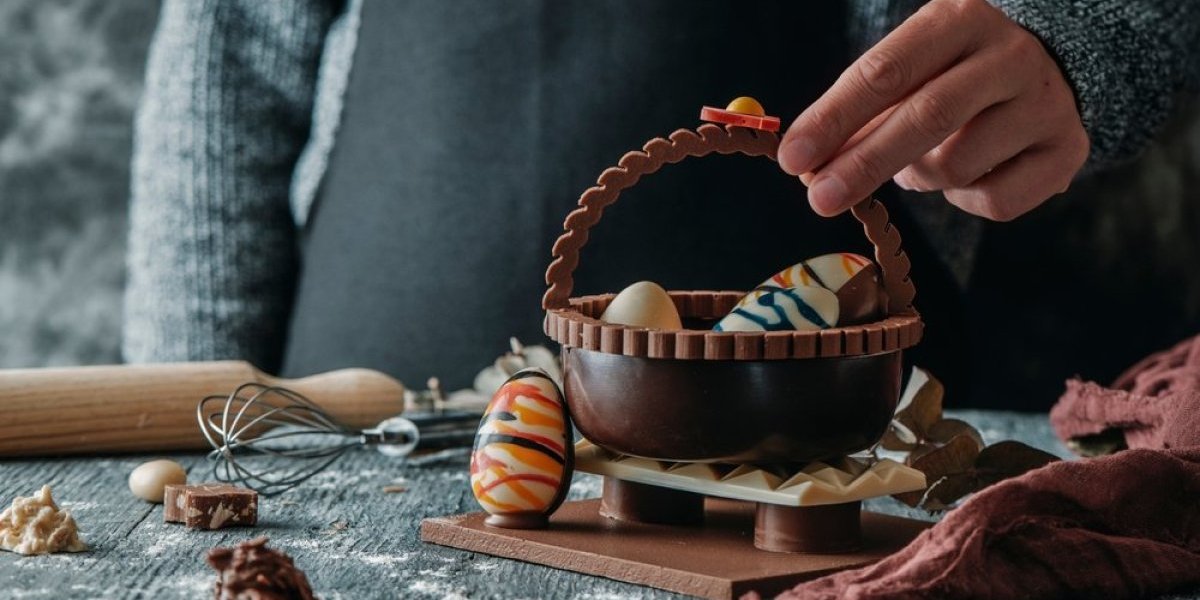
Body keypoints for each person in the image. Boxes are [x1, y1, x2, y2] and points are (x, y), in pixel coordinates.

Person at [124, 0, 1199, 406]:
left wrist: (1078, 37)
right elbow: (227, 73)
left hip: (830, 459)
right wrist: (175, 417)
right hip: (362, 417)